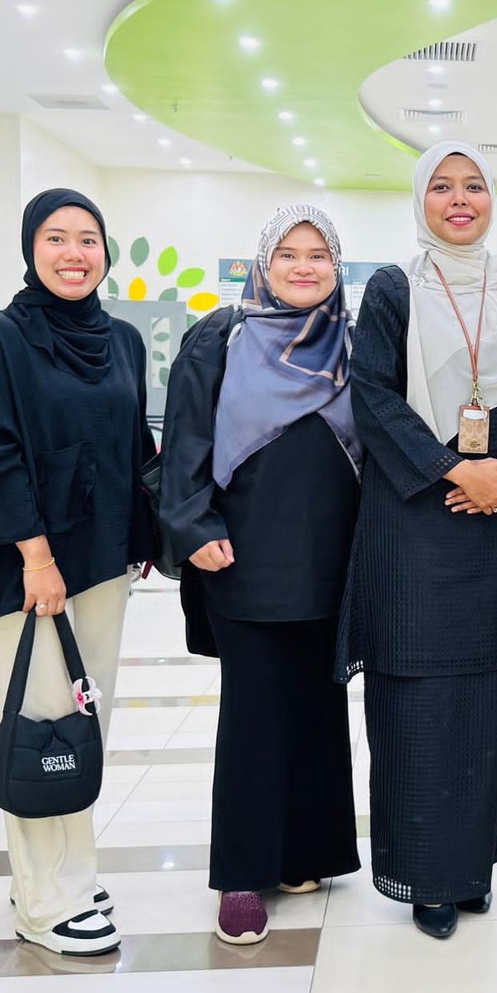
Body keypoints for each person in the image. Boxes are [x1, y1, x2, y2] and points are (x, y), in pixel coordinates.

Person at [338, 142, 497, 939]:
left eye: (473, 187)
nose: (459, 200)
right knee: (416, 699)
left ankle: (471, 869)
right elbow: (372, 396)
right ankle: (424, 875)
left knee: (488, 698)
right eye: (441, 186)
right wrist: (454, 469)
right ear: (420, 200)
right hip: (414, 521)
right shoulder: (395, 288)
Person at [0, 188, 156, 957]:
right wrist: (36, 558)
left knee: (82, 722)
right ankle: (46, 902)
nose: (74, 254)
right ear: (29, 248)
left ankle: (68, 874)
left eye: (88, 239)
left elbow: (133, 445)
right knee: (40, 722)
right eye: (55, 238)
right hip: (28, 569)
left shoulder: (122, 340)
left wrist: (142, 535)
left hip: (100, 563)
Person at [160, 203, 364, 946]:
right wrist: (194, 526)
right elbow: (184, 437)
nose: (304, 267)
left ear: (337, 266)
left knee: (318, 709)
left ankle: (306, 853)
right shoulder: (221, 337)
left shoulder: (355, 342)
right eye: (288, 254)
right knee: (253, 716)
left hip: (335, 558)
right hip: (243, 556)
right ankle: (243, 874)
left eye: (319, 255)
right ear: (263, 264)